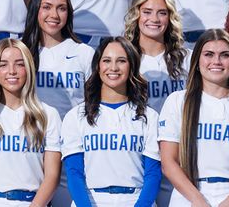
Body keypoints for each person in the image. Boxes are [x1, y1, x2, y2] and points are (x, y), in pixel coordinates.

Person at [158, 29, 229, 206]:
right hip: (189, 194)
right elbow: (168, 163)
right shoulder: (177, 101)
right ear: (197, 61)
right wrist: (197, 200)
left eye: (225, 55)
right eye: (209, 54)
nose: (216, 61)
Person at [0, 38, 63, 207]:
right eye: (3, 65)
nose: (12, 71)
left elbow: (52, 175)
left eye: (20, 64)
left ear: (29, 69)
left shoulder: (48, 114)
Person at [61, 37, 163, 207]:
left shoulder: (149, 116)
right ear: (97, 66)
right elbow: (74, 173)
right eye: (107, 60)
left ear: (131, 66)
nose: (113, 67)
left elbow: (153, 174)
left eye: (121, 61)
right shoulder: (76, 115)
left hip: (135, 199)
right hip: (91, 199)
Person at [19, 0, 97, 114]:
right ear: (35, 9)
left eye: (61, 8)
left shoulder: (84, 53)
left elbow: (94, 102)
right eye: (46, 7)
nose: (54, 15)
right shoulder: (20, 51)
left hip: (73, 126)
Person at [125, 0, 191, 110]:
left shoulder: (187, 58)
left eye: (162, 13)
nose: (155, 19)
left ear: (170, 17)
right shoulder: (125, 59)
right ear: (136, 15)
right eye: (147, 12)